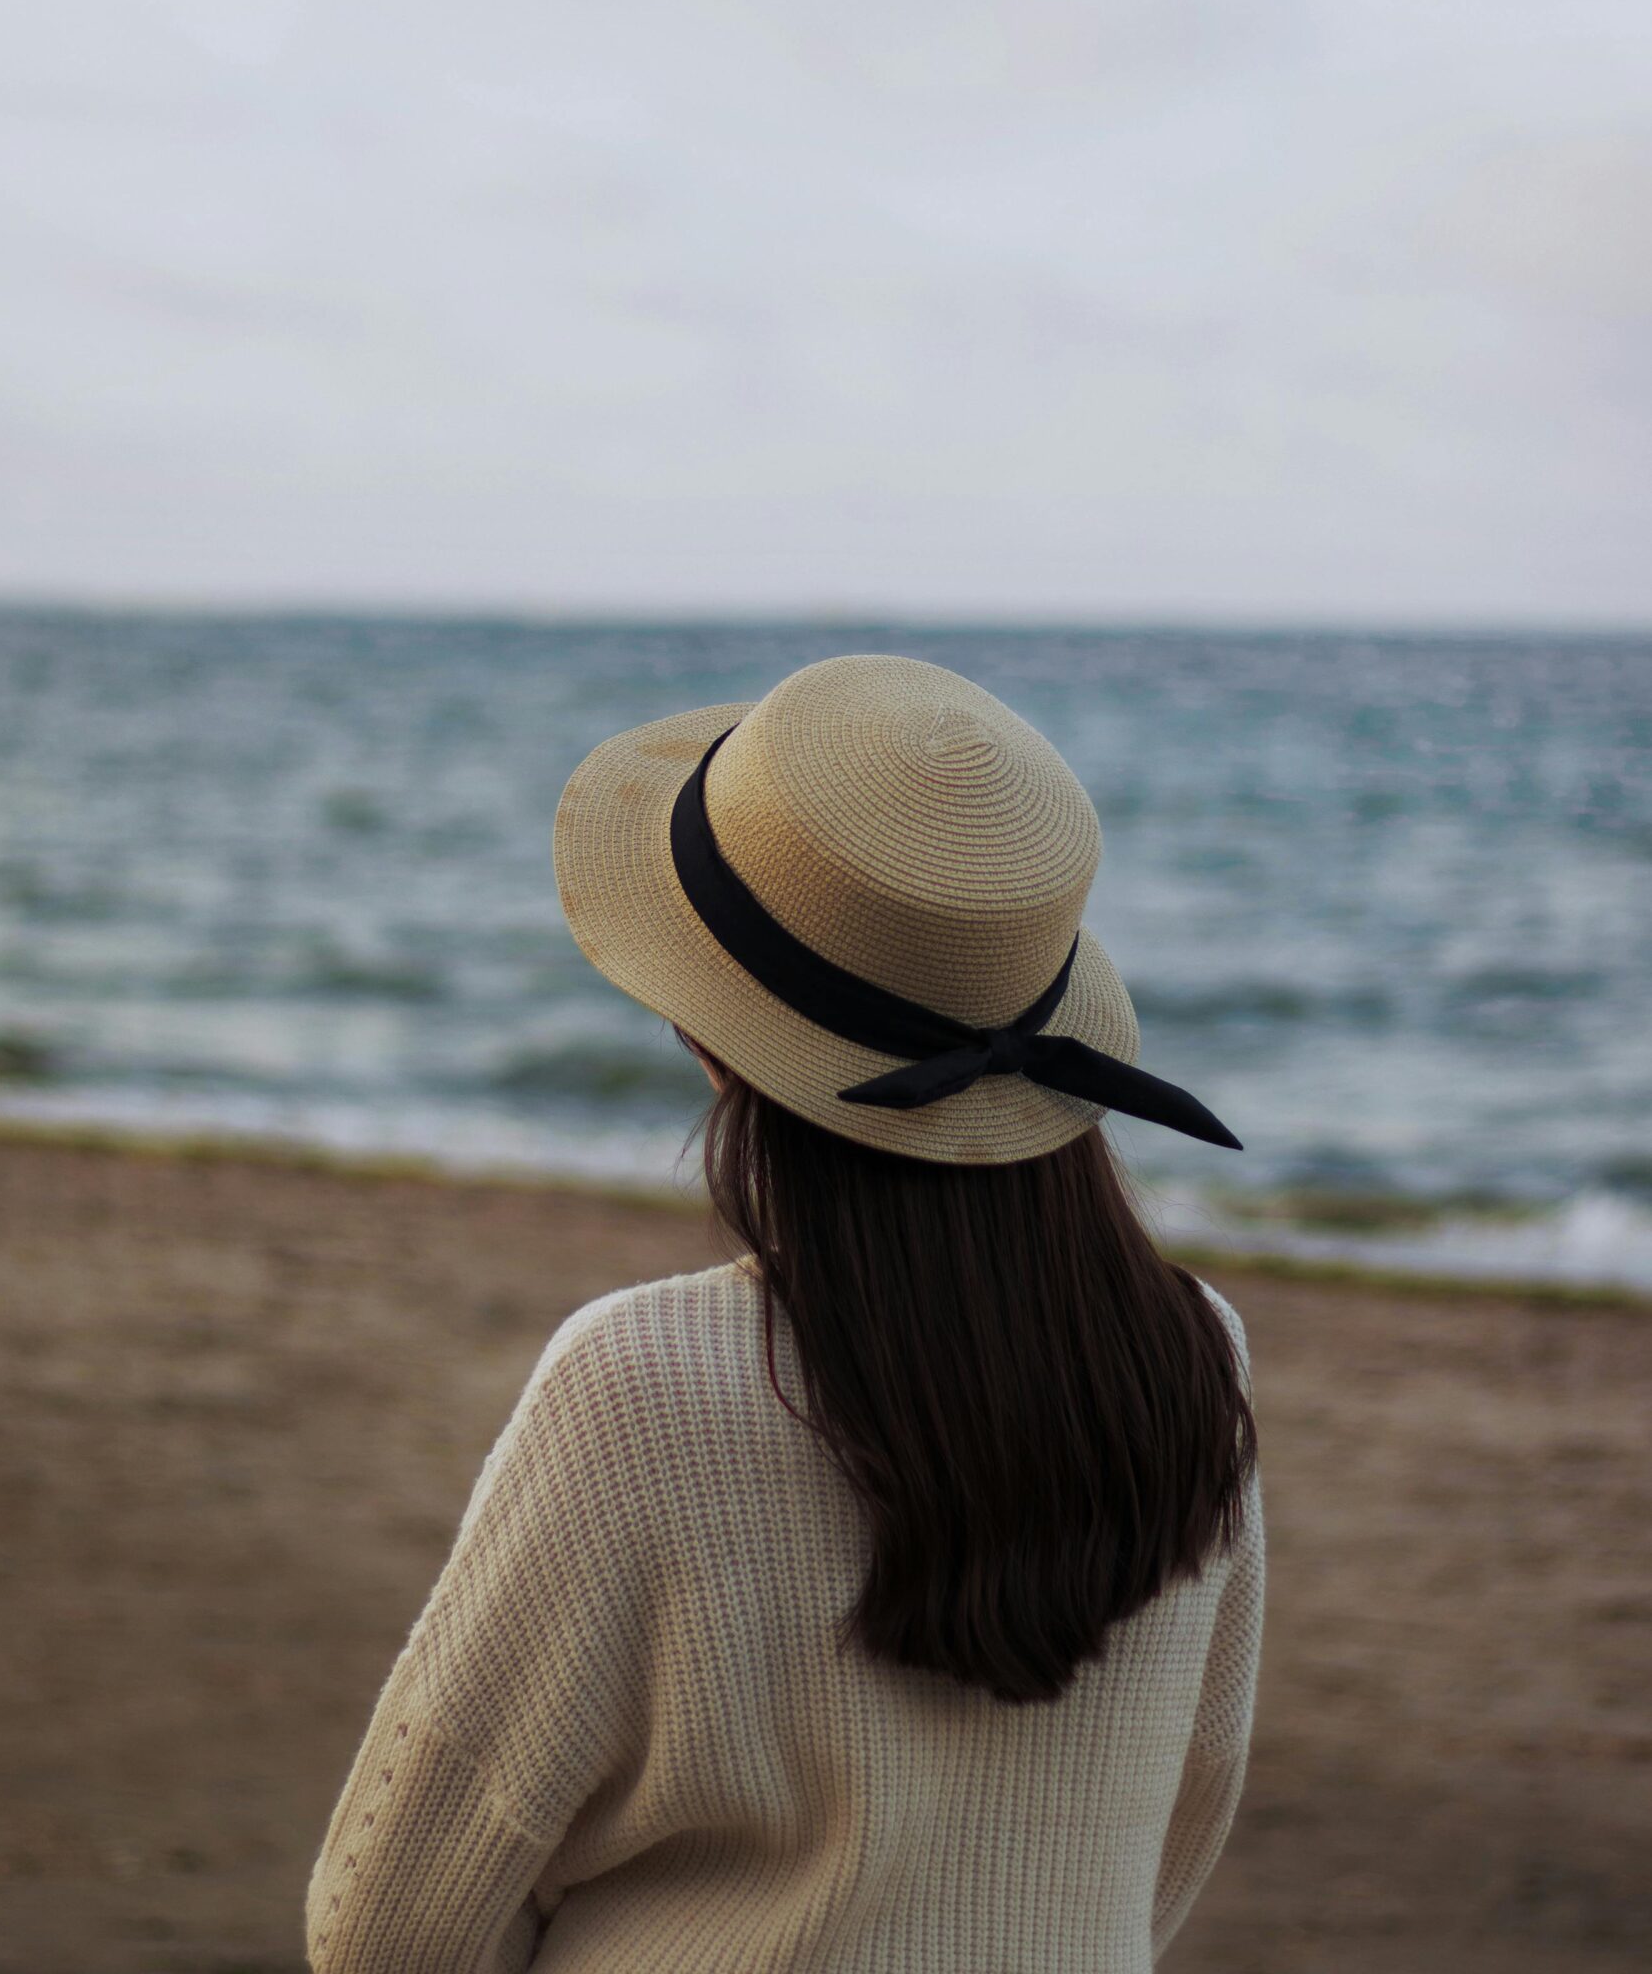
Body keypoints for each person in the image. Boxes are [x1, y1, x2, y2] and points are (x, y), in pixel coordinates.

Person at [307, 654, 1263, 1972]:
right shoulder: (1189, 1353)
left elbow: (393, 1927)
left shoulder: (639, 1381)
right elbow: (1182, 1811)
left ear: (709, 1032)